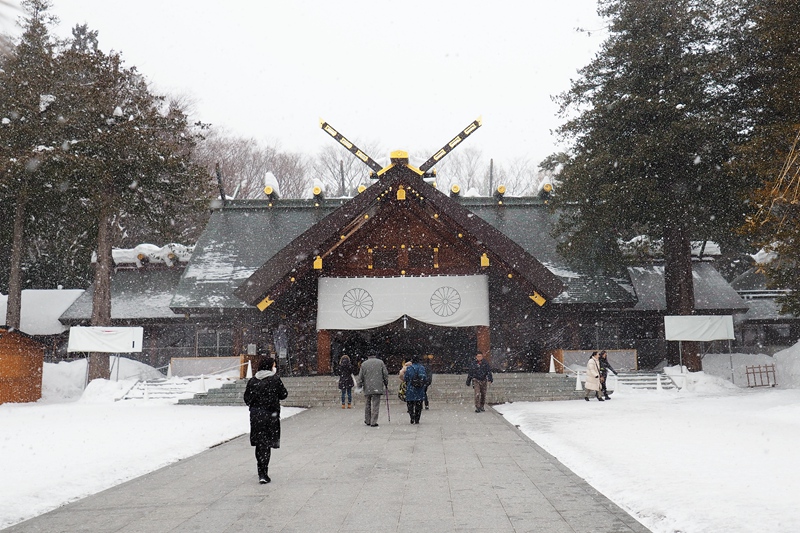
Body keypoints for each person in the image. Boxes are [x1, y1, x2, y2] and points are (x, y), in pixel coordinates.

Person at [243, 356, 288, 484]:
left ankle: (260, 470)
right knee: (267, 443)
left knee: (259, 443)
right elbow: (284, 394)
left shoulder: (253, 380)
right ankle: (264, 472)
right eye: (274, 365)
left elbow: (247, 398)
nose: (275, 367)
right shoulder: (274, 379)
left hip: (256, 416)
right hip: (270, 415)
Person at [356, 351, 388, 427]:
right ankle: (373, 421)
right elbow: (385, 374)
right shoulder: (380, 362)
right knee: (375, 405)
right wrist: (386, 383)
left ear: (368, 356)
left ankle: (367, 420)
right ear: (375, 355)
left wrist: (359, 385)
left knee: (367, 404)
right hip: (377, 386)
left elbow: (360, 377)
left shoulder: (364, 364)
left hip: (367, 387)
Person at [403, 355, 427, 424]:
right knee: (418, 405)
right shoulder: (422, 368)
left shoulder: (409, 368)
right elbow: (424, 378)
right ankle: (417, 419)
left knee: (410, 404)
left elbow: (405, 378)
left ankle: (412, 416)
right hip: (419, 388)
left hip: (411, 388)